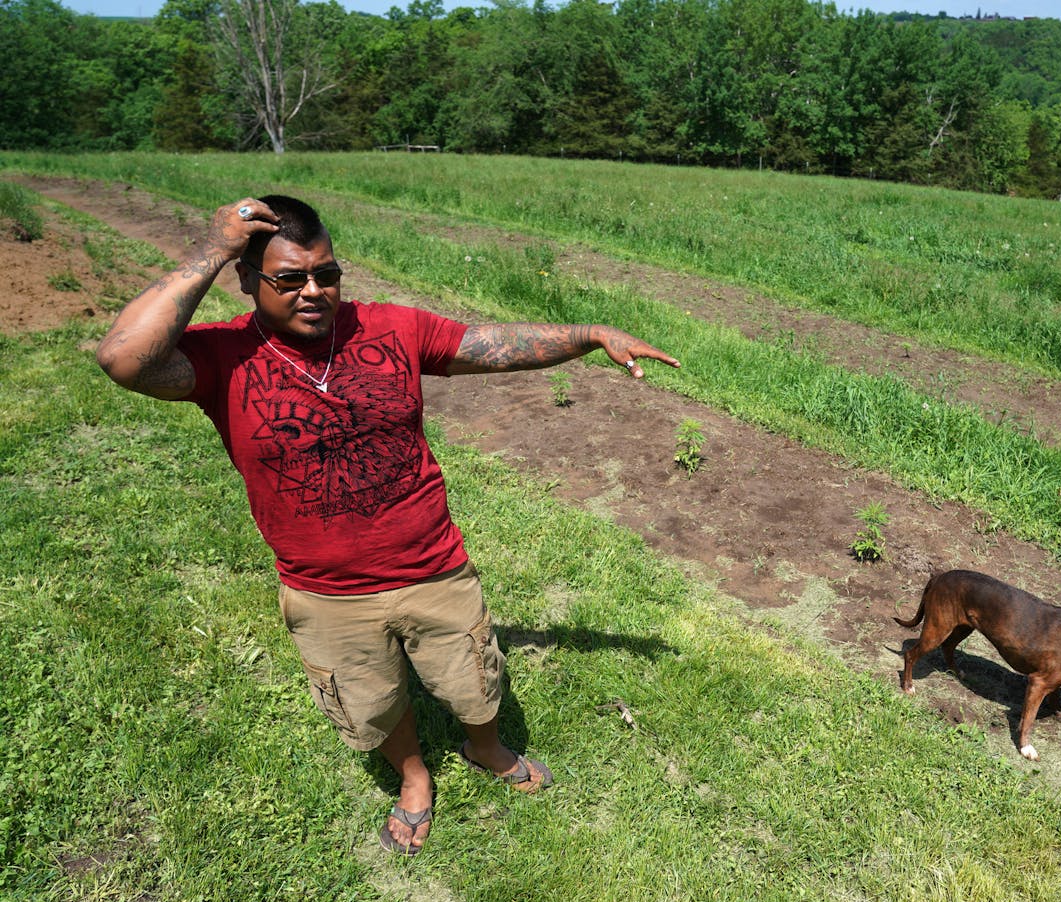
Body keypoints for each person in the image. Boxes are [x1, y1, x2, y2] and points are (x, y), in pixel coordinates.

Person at [97, 194, 680, 855]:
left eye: (327, 273)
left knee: (475, 679)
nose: (313, 291)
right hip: (325, 587)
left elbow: (489, 346)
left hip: (433, 564)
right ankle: (413, 779)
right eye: (289, 279)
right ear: (246, 278)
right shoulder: (222, 358)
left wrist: (589, 334)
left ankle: (485, 748)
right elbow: (123, 357)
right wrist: (213, 247)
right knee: (371, 701)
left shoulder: (390, 328)